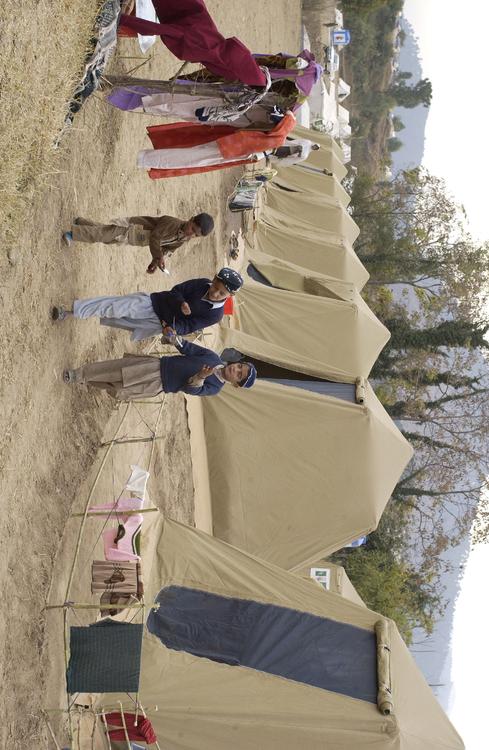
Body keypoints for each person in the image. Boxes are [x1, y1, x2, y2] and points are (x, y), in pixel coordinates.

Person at [51, 268, 244, 341]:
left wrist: (173, 328)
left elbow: (190, 326)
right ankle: (70, 311)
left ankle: (83, 313)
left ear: (229, 296)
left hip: (160, 324)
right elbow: (176, 290)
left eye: (221, 293)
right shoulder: (203, 283)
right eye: (216, 287)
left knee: (116, 319)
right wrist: (182, 302)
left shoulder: (215, 315)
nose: (215, 293)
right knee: (114, 306)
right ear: (213, 279)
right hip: (154, 302)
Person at [63, 337, 257, 401]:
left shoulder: (214, 388)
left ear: (236, 384)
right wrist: (174, 339)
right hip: (156, 367)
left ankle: (86, 379)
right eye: (240, 366)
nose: (236, 370)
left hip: (158, 386)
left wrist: (200, 376)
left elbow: (191, 389)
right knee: (116, 370)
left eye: (239, 375)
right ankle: (77, 374)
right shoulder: (213, 357)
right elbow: (189, 348)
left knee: (117, 388)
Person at [137, 111, 296, 178]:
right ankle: (145, 159)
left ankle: (146, 158)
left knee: (188, 156)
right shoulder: (271, 141)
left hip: (227, 147)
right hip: (226, 147)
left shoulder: (271, 138)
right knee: (189, 158)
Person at [62, 212, 214, 273]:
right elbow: (155, 237)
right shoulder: (173, 223)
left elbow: (167, 250)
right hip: (131, 228)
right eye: (192, 228)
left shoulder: (183, 239)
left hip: (135, 238)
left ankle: (81, 222)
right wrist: (157, 256)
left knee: (105, 236)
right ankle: (72, 234)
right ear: (191, 219)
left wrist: (156, 263)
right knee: (102, 235)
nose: (191, 233)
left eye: (195, 234)